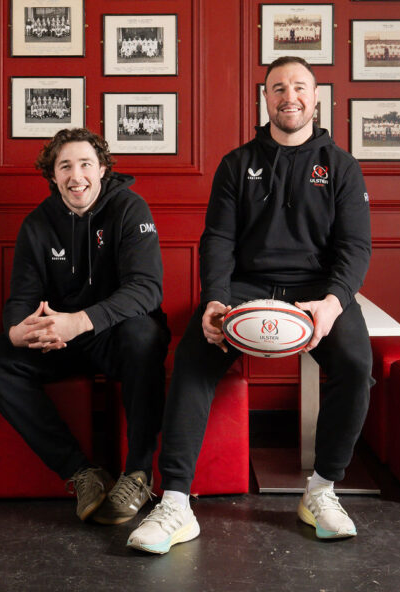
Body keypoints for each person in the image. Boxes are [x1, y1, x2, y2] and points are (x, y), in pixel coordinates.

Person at [128, 56, 373, 553]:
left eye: (300, 86)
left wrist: (332, 304)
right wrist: (215, 300)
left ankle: (321, 490)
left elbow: (355, 248)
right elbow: (217, 239)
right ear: (265, 99)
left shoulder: (342, 166)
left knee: (355, 362)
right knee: (193, 360)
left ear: (316, 97)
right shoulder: (236, 164)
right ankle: (175, 502)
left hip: (316, 290)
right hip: (245, 287)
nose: (290, 96)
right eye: (278, 87)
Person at [0, 127, 169, 525]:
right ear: (52, 175)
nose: (75, 175)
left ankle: (137, 473)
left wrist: (78, 322)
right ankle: (81, 473)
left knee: (144, 333)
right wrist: (19, 330)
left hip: (115, 336)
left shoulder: (130, 209)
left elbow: (147, 290)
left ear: (102, 169)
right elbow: (20, 301)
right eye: (65, 166)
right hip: (60, 342)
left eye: (85, 164)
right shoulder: (37, 224)